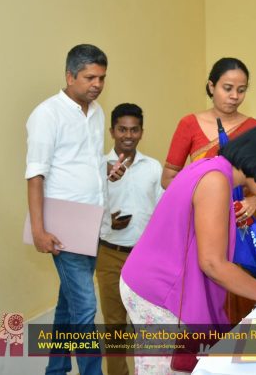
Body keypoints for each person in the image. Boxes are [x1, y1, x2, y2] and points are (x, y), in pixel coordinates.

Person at [120, 125, 256, 374]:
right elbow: (212, 264)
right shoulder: (215, 181)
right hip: (159, 290)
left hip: (154, 280)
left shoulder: (212, 168)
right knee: (168, 368)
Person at [161, 57, 256, 323]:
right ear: (211, 86)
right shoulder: (189, 124)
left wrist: (255, 201)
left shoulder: (255, 129)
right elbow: (169, 178)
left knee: (245, 296)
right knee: (206, 288)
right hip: (205, 223)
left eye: (241, 90)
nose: (234, 96)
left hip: (244, 227)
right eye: (227, 88)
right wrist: (209, 199)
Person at [26, 44, 123, 375]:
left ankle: (55, 370)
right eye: (89, 77)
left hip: (90, 222)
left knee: (68, 305)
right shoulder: (47, 114)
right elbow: (35, 175)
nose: (97, 84)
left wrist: (107, 170)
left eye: (102, 78)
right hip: (62, 225)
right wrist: (39, 230)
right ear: (70, 76)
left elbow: (84, 162)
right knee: (85, 307)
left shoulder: (96, 113)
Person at [95, 103, 164, 375]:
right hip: (109, 254)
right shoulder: (98, 167)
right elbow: (87, 206)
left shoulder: (153, 168)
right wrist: (106, 219)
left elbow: (162, 211)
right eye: (122, 129)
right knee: (115, 325)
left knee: (147, 323)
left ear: (141, 132)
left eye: (134, 130)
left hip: (145, 257)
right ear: (112, 131)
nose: (128, 135)